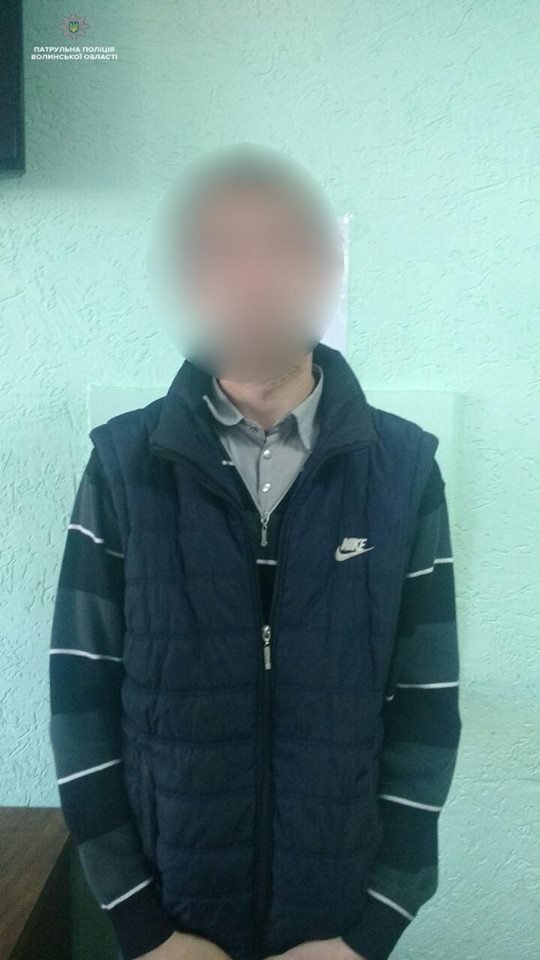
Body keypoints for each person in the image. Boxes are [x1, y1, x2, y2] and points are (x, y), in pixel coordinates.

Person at [49, 143, 462, 960]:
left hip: (337, 929)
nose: (253, 279)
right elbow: (79, 703)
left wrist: (373, 928)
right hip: (169, 926)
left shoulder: (405, 470)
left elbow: (427, 709)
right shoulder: (124, 466)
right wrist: (140, 925)